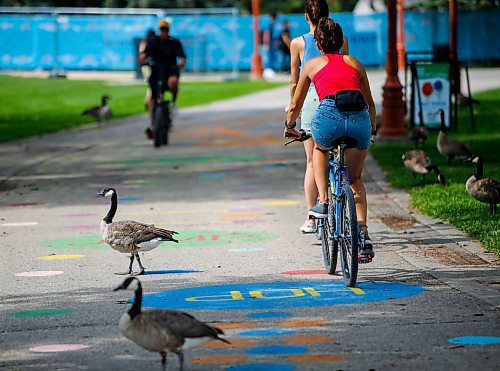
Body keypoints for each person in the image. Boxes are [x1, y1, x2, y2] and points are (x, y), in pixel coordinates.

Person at [284, 17, 377, 259]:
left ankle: (324, 202)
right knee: (355, 178)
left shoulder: (313, 64)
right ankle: (363, 233)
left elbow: (296, 104)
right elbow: (370, 103)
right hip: (359, 120)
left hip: (328, 116)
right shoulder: (355, 63)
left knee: (319, 150)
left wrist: (290, 125)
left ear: (318, 42)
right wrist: (372, 128)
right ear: (341, 41)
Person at [289, 0, 349, 234]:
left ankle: (312, 216)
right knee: (337, 156)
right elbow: (345, 69)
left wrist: (292, 107)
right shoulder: (341, 40)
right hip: (341, 102)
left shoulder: (298, 43)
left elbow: (295, 81)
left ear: (306, 16)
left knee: (312, 161)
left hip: (312, 103)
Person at [140, 20, 186, 139]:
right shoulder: (153, 41)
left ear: (168, 31)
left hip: (170, 69)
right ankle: (152, 124)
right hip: (156, 69)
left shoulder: (174, 42)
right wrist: (143, 59)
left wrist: (180, 64)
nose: (163, 32)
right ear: (159, 30)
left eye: (165, 30)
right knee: (152, 97)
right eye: (161, 30)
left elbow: (182, 57)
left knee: (173, 82)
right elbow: (145, 54)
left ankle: (174, 103)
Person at [138, 29, 156, 110]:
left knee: (151, 85)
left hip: (145, 66)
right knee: (152, 85)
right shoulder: (148, 43)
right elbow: (143, 55)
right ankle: (148, 101)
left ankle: (150, 100)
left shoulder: (144, 42)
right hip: (148, 65)